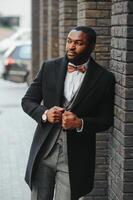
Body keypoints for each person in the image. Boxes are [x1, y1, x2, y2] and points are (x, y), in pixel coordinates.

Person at [21, 26, 115, 200]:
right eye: (69, 41)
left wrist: (80, 123)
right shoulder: (49, 67)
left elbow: (106, 119)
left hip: (75, 158)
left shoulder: (104, 78)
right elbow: (27, 101)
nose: (71, 46)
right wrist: (44, 113)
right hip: (44, 151)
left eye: (78, 43)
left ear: (92, 46)